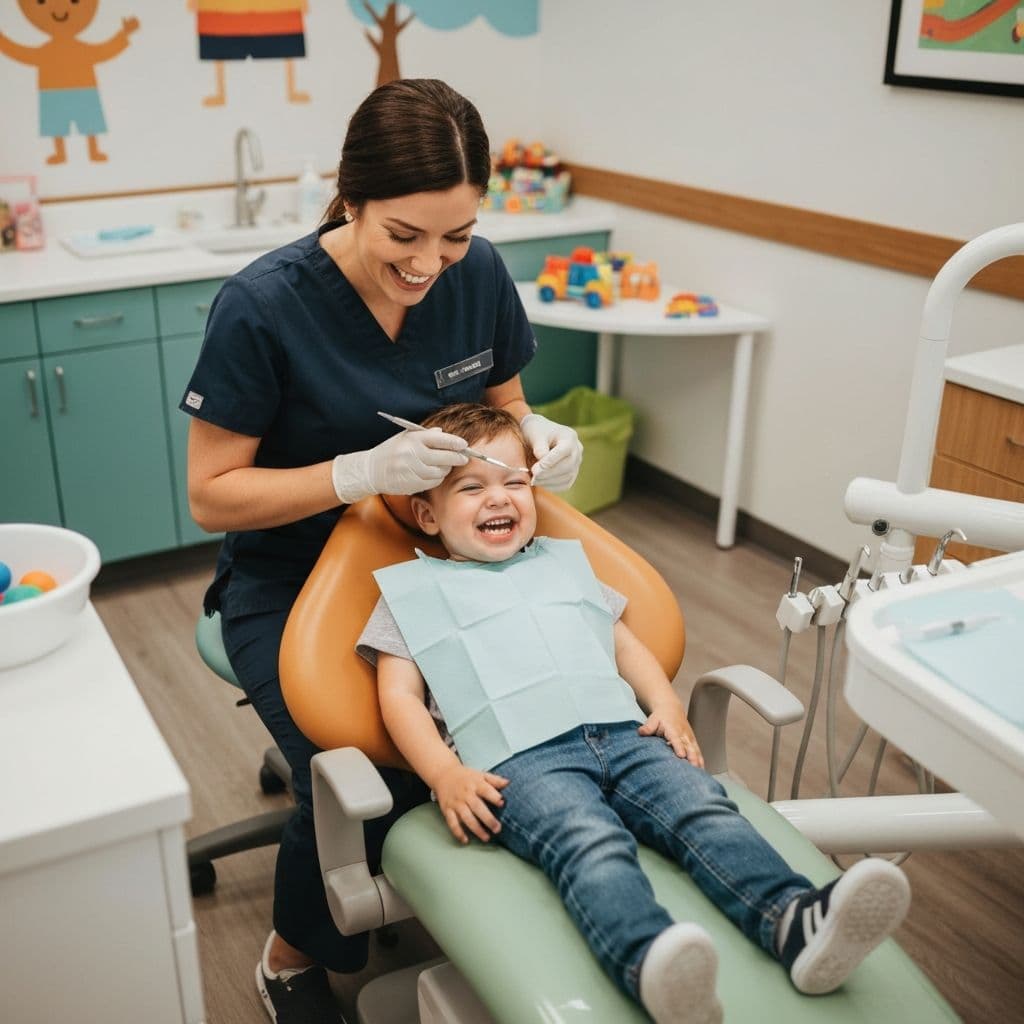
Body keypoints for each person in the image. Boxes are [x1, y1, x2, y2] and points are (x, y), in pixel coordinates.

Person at [179, 79, 583, 1024]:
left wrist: (543, 438)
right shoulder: (264, 306)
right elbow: (210, 495)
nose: (430, 264)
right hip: (295, 578)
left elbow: (508, 409)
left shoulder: (475, 272)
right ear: (349, 196)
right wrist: (355, 473)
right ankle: (289, 959)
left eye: (454, 236)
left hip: (442, 560)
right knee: (374, 771)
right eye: (404, 236)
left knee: (531, 721)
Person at [358, 403, 913, 1024]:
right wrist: (443, 775)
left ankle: (795, 922)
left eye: (516, 481)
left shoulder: (560, 565)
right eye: (473, 486)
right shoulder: (411, 593)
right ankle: (650, 963)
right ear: (427, 514)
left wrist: (668, 705)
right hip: (522, 765)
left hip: (627, 735)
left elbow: (623, 643)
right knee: (590, 843)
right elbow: (399, 699)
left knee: (705, 810)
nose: (501, 498)